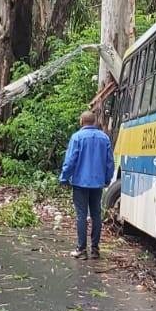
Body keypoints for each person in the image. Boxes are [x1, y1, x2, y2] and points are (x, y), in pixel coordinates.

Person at [59, 110, 114, 259]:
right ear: (94, 121)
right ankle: (95, 249)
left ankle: (81, 249)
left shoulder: (77, 137)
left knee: (81, 215)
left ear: (81, 121)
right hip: (98, 183)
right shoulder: (104, 138)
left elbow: (71, 160)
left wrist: (64, 178)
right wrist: (107, 179)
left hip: (80, 183)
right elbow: (110, 162)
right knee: (96, 215)